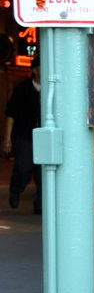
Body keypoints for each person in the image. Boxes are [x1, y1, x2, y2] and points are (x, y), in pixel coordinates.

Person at [3, 56, 41, 214]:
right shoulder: (22, 89)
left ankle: (41, 204)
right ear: (34, 70)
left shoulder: (52, 89)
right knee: (24, 167)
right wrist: (7, 138)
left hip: (45, 138)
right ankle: (15, 191)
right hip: (26, 135)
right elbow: (11, 114)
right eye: (41, 67)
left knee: (43, 172)